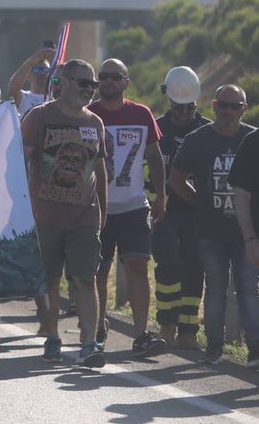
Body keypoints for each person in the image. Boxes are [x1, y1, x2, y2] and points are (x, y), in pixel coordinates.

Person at [22, 59, 108, 368]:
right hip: (44, 215)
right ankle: (53, 336)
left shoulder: (95, 123)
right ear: (65, 81)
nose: (89, 90)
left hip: (84, 216)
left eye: (92, 85)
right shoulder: (39, 117)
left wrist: (103, 211)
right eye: (83, 83)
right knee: (49, 280)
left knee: (85, 278)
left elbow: (100, 170)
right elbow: (21, 161)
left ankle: (89, 343)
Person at [170, 85, 257, 365]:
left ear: (244, 108)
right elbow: (176, 179)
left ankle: (255, 350)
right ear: (214, 105)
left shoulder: (252, 139)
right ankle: (214, 348)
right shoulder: (198, 139)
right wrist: (200, 203)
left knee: (248, 289)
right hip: (211, 230)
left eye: (235, 106)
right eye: (223, 105)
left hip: (247, 234)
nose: (228, 111)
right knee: (216, 288)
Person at [88, 58, 168, 358]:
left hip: (134, 206)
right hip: (97, 206)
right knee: (99, 270)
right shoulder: (88, 114)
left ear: (126, 82)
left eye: (114, 77)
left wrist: (160, 196)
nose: (108, 81)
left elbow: (155, 156)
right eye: (103, 76)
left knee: (137, 266)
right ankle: (96, 328)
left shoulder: (141, 113)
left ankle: (141, 334)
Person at [153, 65, 210, 349]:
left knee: (194, 267)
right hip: (164, 210)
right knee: (168, 265)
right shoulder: (157, 129)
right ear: (169, 100)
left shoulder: (206, 130)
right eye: (180, 107)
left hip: (197, 213)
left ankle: (188, 330)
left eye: (190, 107)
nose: (185, 113)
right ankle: (167, 323)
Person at [7, 45, 56, 116]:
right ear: (28, 75)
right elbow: (13, 89)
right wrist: (30, 63)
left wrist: (58, 60)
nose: (41, 73)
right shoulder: (24, 98)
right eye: (36, 70)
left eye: (45, 70)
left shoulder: (56, 98)